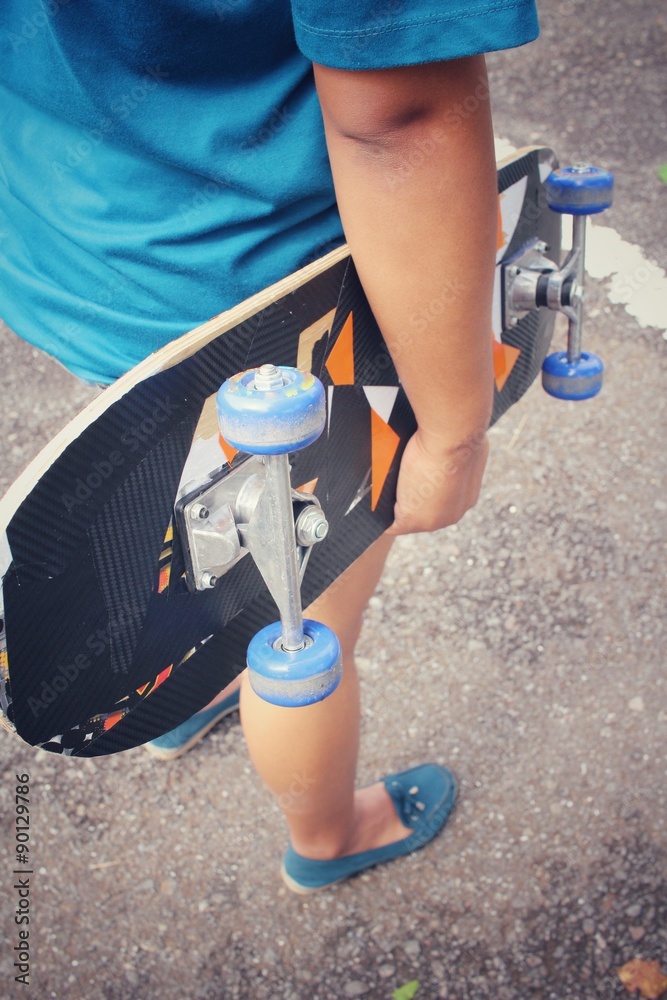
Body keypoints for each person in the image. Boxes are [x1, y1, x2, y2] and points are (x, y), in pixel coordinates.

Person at [0, 0, 539, 892]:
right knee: (307, 619)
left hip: (88, 263)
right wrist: (452, 430)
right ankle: (327, 835)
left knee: (198, 504)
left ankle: (187, 687)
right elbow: (400, 116)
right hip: (282, 301)